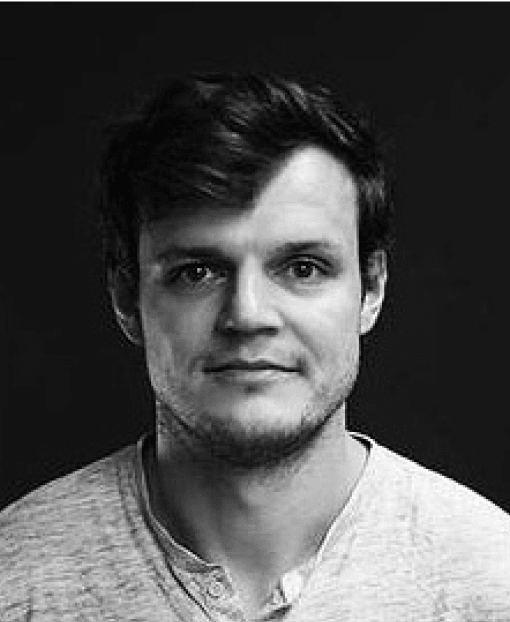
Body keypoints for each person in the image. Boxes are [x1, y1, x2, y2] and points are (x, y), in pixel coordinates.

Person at [1, 73, 509, 621]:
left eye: (303, 268)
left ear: (372, 289)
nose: (247, 316)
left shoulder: (490, 582)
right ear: (127, 298)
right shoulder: (14, 580)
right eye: (197, 272)